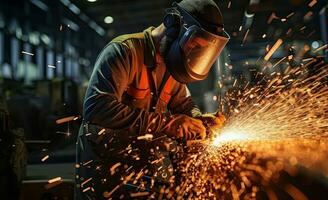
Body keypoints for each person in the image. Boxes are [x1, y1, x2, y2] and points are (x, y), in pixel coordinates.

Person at [75, 0, 229, 198]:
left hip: (140, 164)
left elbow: (183, 104)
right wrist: (168, 123)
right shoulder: (124, 51)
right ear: (175, 26)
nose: (194, 52)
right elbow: (96, 109)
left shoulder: (172, 64)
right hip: (103, 166)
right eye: (194, 44)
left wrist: (199, 121)